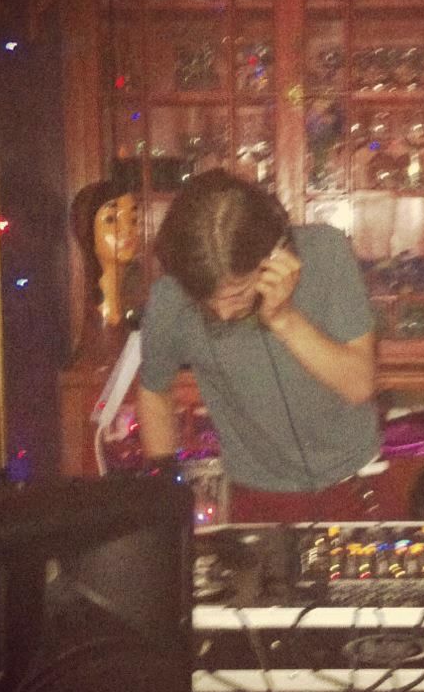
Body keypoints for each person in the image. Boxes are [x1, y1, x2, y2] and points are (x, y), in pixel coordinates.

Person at [137, 169, 384, 522]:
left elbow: (359, 384)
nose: (223, 313)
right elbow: (154, 392)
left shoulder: (327, 252)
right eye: (206, 300)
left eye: (237, 294)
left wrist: (283, 319)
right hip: (251, 490)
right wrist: (164, 493)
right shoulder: (169, 297)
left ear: (274, 257)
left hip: (355, 481)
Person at [70, 178, 143, 367]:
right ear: (87, 229)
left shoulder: (128, 315)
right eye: (111, 219)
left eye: (133, 220)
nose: (127, 230)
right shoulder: (96, 333)